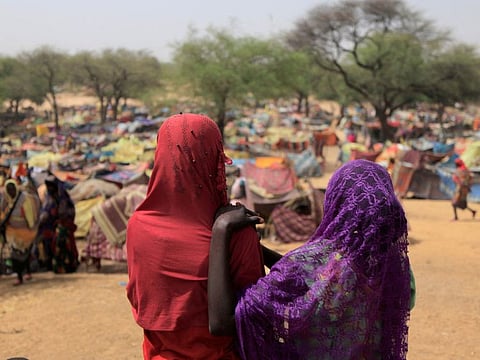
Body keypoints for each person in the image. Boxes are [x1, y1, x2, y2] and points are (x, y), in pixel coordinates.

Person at [209, 159, 413, 359]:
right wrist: (259, 250)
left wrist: (221, 229)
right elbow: (318, 276)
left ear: (336, 201)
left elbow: (224, 322)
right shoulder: (395, 270)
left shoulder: (316, 260)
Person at [126, 113, 265, 360]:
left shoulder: (138, 227)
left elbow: (141, 303)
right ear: (215, 159)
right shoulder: (236, 231)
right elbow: (251, 314)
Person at [1, 179, 41, 285]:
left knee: (25, 253)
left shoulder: (25, 200)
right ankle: (19, 276)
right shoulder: (6, 200)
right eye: (9, 190)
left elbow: (30, 216)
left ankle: (27, 272)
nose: (11, 192)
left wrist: (31, 228)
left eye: (12, 189)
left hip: (25, 232)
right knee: (14, 255)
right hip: (12, 233)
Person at [36, 175, 79, 273]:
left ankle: (66, 266)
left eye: (51, 186)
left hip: (63, 227)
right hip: (49, 227)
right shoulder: (49, 199)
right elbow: (45, 213)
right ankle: (48, 263)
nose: (50, 188)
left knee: (62, 244)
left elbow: (68, 212)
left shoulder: (63, 198)